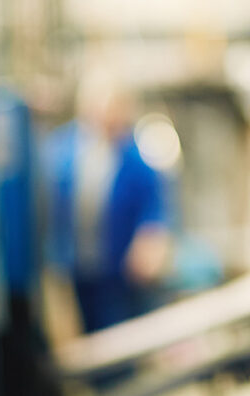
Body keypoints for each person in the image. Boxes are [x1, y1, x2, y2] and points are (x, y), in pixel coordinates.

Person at [44, 68, 176, 333]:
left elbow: (155, 207)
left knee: (114, 335)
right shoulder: (59, 151)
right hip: (70, 269)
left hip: (117, 274)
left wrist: (151, 237)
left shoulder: (137, 158)